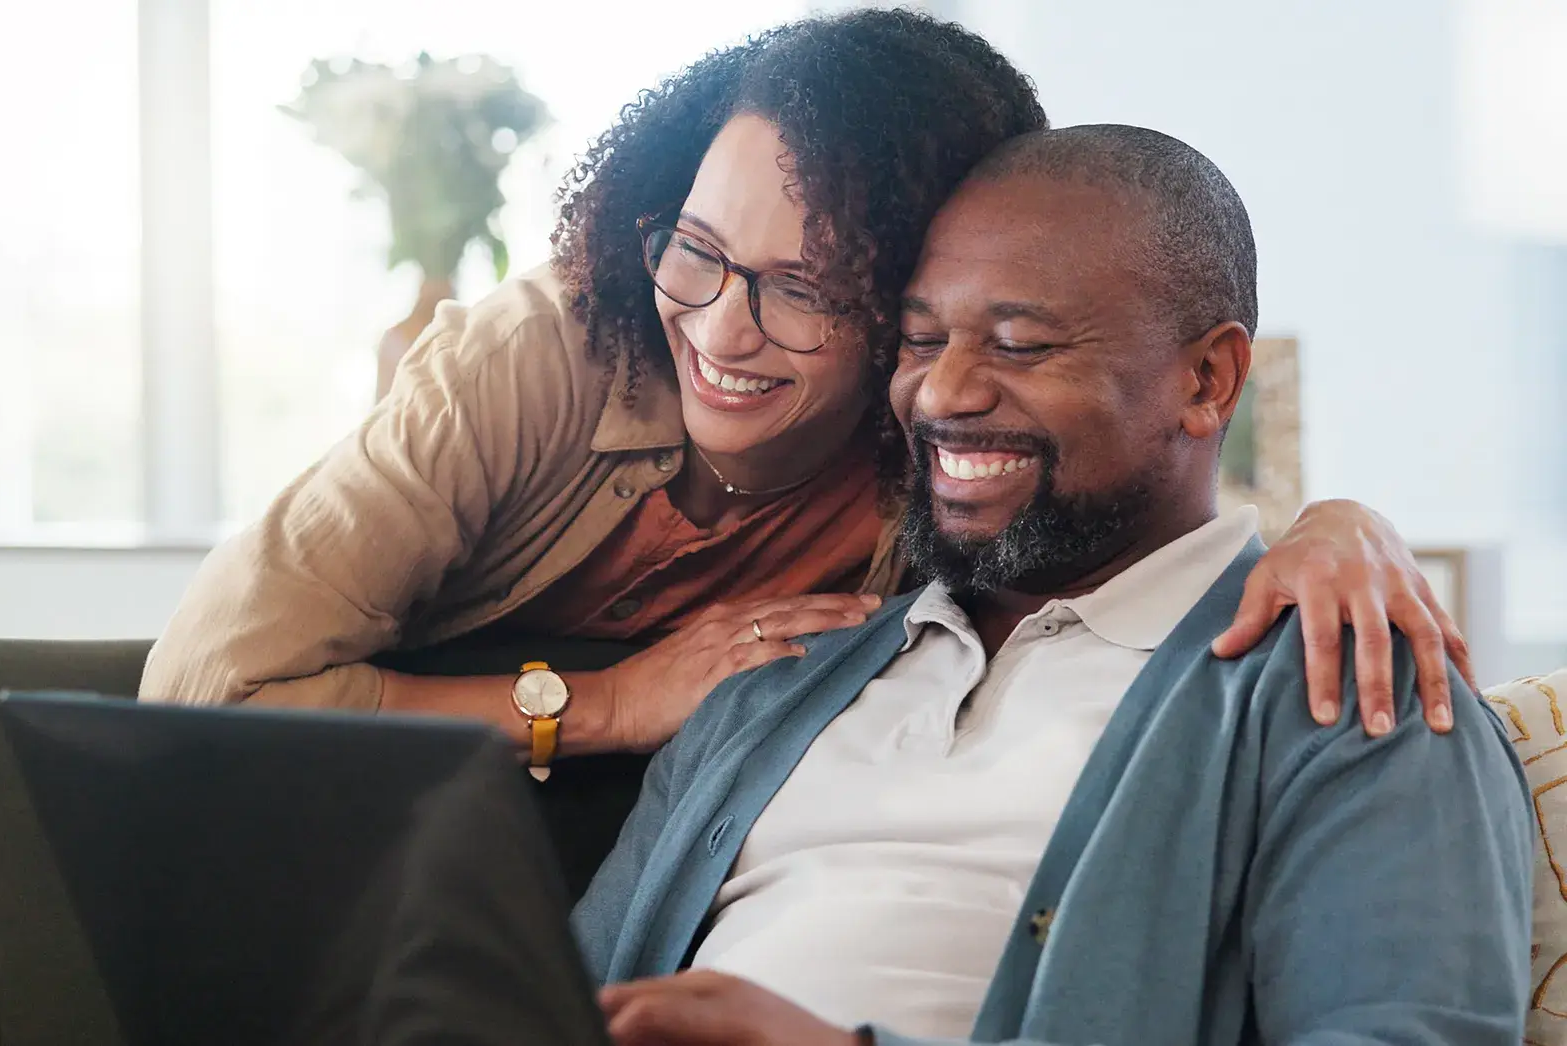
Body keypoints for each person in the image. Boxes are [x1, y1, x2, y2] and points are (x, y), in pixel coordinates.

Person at [138, 10, 1472, 768]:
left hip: (680, 842)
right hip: (388, 814)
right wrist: (602, 701)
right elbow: (207, 690)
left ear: (905, 301)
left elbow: (1147, 514)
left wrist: (1337, 523)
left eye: (803, 287)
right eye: (701, 250)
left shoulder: (937, 434)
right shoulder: (547, 345)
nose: (721, 324)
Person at [574, 125, 1533, 1046]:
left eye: (1021, 346)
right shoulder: (775, 680)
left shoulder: (1345, 680)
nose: (945, 393)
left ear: (1207, 379)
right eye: (919, 341)